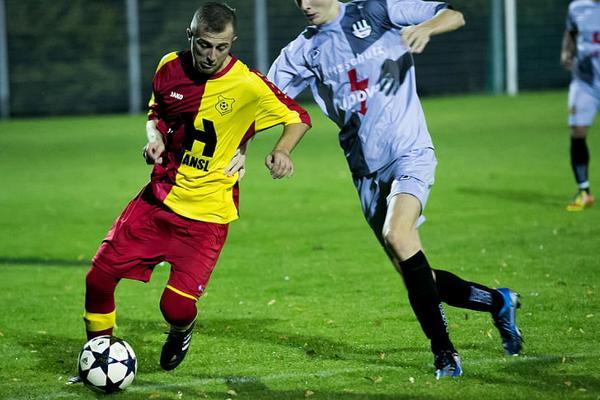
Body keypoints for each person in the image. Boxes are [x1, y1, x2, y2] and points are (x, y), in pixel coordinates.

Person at [267, 0, 522, 379]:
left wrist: (427, 27)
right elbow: (258, 99)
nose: (305, 4)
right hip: (365, 171)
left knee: (398, 233)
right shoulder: (303, 50)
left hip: (409, 152)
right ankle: (498, 301)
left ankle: (445, 355)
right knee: (415, 276)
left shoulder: (378, 10)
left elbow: (455, 14)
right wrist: (257, 150)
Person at [80, 1, 310, 373]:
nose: (212, 55)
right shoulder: (169, 67)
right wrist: (154, 138)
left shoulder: (247, 83)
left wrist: (280, 150)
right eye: (204, 44)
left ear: (233, 41)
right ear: (191, 35)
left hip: (207, 215)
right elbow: (157, 113)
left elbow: (297, 117)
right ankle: (96, 355)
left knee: (175, 307)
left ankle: (181, 329)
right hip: (158, 201)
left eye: (222, 47)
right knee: (99, 277)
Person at [561, 0, 599, 211]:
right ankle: (583, 191)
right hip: (585, 82)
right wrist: (566, 53)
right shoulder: (577, 7)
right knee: (577, 131)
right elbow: (571, 33)